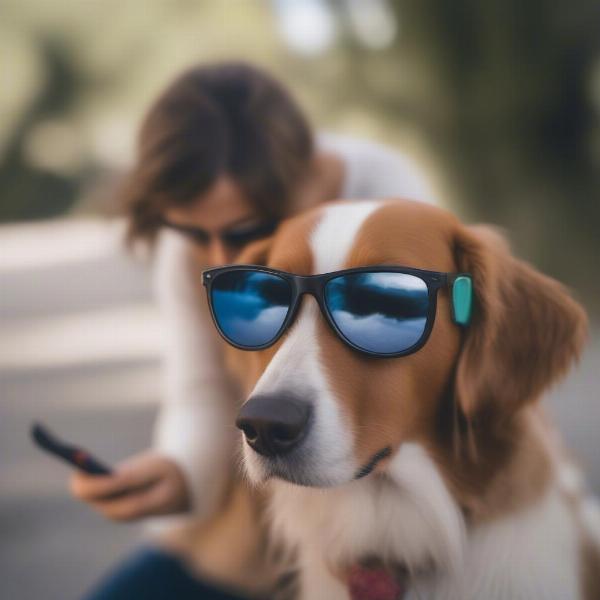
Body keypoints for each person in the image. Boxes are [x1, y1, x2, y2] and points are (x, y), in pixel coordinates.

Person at [71, 61, 437, 599]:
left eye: (250, 231)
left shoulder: (385, 192)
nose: (221, 255)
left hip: (386, 506)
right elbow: (200, 389)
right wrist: (181, 472)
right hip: (251, 508)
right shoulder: (192, 246)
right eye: (192, 232)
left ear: (310, 177)